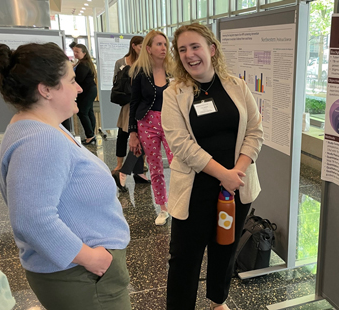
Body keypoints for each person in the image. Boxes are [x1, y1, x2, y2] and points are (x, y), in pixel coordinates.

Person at [0, 42, 131, 310]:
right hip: (82, 276)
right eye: (71, 81)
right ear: (45, 89)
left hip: (80, 274)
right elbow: (32, 219)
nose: (79, 87)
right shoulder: (41, 140)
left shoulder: (38, 126)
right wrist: (92, 259)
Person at [161, 23, 263, 310]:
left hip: (236, 188)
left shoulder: (236, 85)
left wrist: (236, 173)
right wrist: (224, 174)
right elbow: (180, 144)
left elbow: (256, 131)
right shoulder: (174, 93)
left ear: (212, 50)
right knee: (184, 256)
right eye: (182, 50)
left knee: (225, 247)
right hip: (195, 189)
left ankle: (218, 301)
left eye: (195, 47)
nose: (190, 55)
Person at [129, 30, 174, 225]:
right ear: (148, 48)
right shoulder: (140, 72)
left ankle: (180, 203)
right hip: (147, 123)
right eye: (158, 44)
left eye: (165, 44)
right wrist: (132, 132)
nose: (163, 48)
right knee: (155, 168)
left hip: (172, 123)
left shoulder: (174, 70)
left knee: (177, 164)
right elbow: (134, 102)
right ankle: (163, 208)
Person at [111, 36, 150, 191]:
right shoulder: (121, 62)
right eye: (141, 46)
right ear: (134, 46)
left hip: (142, 104)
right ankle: (123, 170)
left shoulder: (147, 63)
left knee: (141, 138)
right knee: (127, 135)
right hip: (130, 104)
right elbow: (116, 83)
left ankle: (137, 172)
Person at [72, 43, 98, 145]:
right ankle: (90, 135)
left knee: (82, 112)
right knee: (89, 111)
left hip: (86, 91)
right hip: (90, 90)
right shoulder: (84, 62)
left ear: (84, 52)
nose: (75, 54)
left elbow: (79, 79)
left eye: (77, 52)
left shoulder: (83, 64)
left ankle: (90, 135)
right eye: (74, 52)